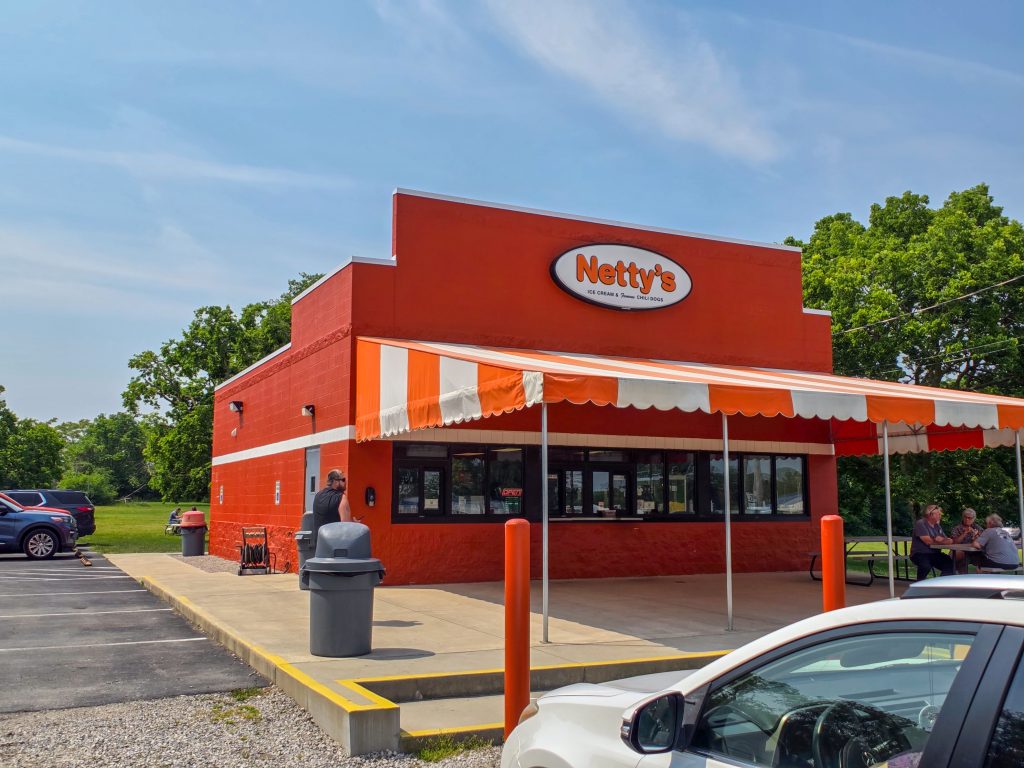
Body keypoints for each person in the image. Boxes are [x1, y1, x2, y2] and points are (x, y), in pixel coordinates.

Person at [910, 504, 955, 581]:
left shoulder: (937, 526)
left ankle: (941, 584)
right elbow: (928, 541)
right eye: (938, 513)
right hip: (920, 553)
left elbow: (949, 540)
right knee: (925, 566)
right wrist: (939, 540)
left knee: (950, 563)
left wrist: (942, 540)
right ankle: (919, 584)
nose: (940, 515)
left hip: (935, 554)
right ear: (930, 514)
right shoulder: (921, 523)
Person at [312, 469, 353, 538]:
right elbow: (346, 526)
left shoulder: (318, 495)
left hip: (319, 544)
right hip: (335, 544)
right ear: (335, 482)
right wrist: (354, 523)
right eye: (343, 480)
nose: (345, 482)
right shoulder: (341, 498)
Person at [949, 508, 984, 574]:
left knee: (984, 558)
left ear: (973, 519)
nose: (967, 519)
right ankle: (962, 579)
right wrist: (964, 533)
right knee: (961, 559)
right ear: (962, 517)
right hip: (961, 553)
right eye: (965, 517)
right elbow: (954, 542)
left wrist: (976, 536)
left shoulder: (978, 527)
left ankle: (980, 580)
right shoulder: (957, 528)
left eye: (969, 518)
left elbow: (984, 540)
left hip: (975, 553)